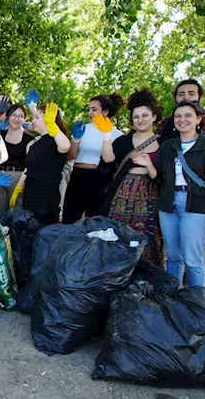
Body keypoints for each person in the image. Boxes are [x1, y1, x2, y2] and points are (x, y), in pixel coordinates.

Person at [132, 101, 205, 287]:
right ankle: (173, 300)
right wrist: (147, 164)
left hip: (196, 205)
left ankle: (197, 303)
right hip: (168, 204)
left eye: (188, 115)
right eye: (178, 116)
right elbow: (158, 179)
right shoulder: (168, 146)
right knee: (173, 257)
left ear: (198, 119)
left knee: (193, 259)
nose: (182, 120)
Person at [100, 89, 164, 266]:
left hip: (151, 196)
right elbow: (107, 159)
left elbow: (165, 176)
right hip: (123, 193)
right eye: (136, 117)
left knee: (149, 236)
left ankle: (148, 275)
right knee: (119, 235)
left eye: (145, 115)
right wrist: (106, 136)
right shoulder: (123, 141)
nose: (141, 120)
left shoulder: (165, 143)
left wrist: (148, 164)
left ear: (154, 116)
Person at [63, 93, 125, 223]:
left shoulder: (117, 134)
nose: (90, 112)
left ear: (106, 111)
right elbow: (70, 156)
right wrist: (76, 138)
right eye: (89, 109)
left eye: (94, 109)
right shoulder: (83, 128)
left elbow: (111, 160)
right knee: (69, 218)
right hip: (77, 177)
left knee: (94, 219)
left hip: (99, 179)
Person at [10, 103, 71, 225]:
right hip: (31, 195)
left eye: (37, 117)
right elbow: (29, 168)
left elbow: (65, 146)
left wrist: (52, 126)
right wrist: (19, 187)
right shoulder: (37, 142)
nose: (33, 121)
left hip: (46, 200)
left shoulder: (55, 141)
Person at [0, 104, 34, 214]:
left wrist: (21, 183)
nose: (16, 119)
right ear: (8, 117)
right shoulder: (0, 134)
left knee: (15, 212)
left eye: (20, 116)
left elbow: (30, 164)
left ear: (24, 118)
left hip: (18, 177)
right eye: (13, 115)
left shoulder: (29, 139)